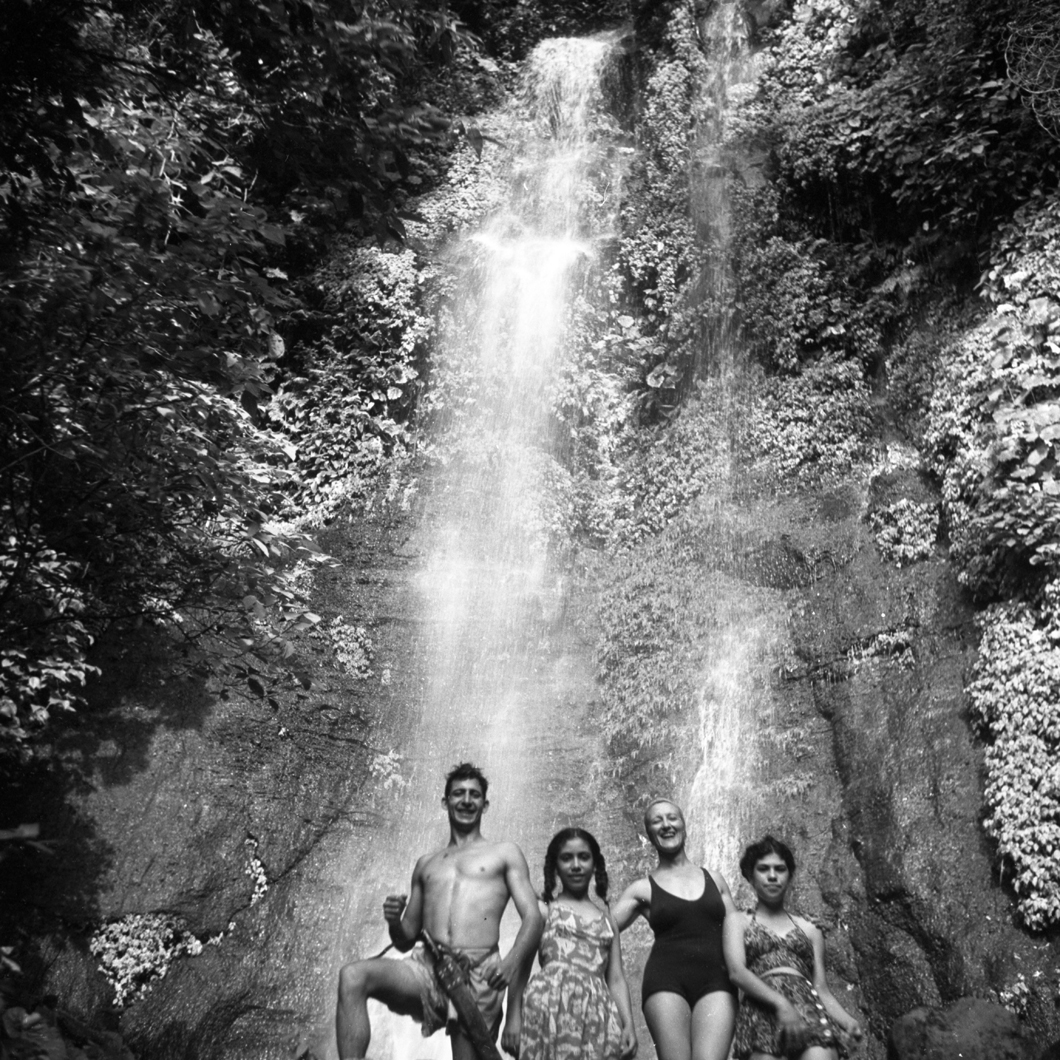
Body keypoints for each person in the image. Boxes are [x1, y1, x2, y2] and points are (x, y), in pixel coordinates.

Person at [335, 762, 544, 1060]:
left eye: (474, 795)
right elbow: (406, 938)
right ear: (445, 802)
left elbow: (533, 917)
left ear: (485, 805)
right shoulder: (426, 864)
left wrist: (509, 965)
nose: (466, 800)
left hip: (478, 973)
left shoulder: (504, 853)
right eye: (459, 793)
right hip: (427, 967)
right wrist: (395, 921)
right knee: (353, 976)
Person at [612, 799, 738, 1060]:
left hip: (717, 980)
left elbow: (740, 935)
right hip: (665, 982)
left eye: (672, 818)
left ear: (684, 825)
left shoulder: (715, 879)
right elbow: (599, 930)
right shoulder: (641, 889)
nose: (666, 825)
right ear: (649, 834)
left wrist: (796, 924)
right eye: (657, 821)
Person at [723, 836, 862, 1060]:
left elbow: (821, 988)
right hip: (761, 1013)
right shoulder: (737, 921)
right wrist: (782, 1004)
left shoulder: (810, 928)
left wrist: (848, 1021)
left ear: (789, 877)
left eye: (780, 869)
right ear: (750, 876)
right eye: (763, 869)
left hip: (809, 1012)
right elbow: (737, 973)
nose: (772, 876)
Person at [505, 827, 638, 1060]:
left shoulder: (607, 921)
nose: (576, 865)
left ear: (595, 864)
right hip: (548, 1006)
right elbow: (521, 969)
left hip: (596, 1012)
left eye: (583, 857)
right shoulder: (544, 911)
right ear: (555, 866)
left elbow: (616, 978)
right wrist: (512, 1019)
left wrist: (628, 1025)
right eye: (567, 858)